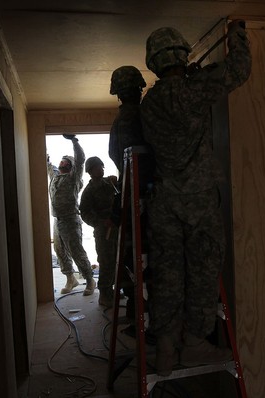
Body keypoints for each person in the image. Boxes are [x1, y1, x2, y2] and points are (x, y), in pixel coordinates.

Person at [140, 20, 252, 376]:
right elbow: (239, 70)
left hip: (164, 200)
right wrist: (236, 33)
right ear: (181, 54)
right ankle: (194, 345)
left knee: (168, 273)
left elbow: (174, 103)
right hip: (198, 198)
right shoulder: (195, 89)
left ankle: (167, 348)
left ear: (155, 62)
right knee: (203, 271)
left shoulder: (148, 102)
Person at [108, 66, 155, 338]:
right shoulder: (141, 116)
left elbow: (117, 157)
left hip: (131, 195)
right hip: (145, 197)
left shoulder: (120, 119)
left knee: (133, 261)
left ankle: (137, 317)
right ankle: (145, 322)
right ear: (139, 89)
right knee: (148, 263)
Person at [47, 134, 96, 296]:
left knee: (76, 251)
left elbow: (81, 159)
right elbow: (46, 163)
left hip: (70, 219)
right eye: (61, 160)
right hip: (57, 220)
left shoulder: (73, 178)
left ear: (70, 166)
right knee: (60, 250)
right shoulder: (55, 176)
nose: (61, 162)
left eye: (65, 161)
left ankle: (90, 280)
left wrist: (74, 141)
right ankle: (70, 278)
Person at [79, 156, 119, 307]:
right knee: (106, 260)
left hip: (116, 226)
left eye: (101, 166)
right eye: (97, 167)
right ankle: (104, 294)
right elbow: (85, 213)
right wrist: (101, 223)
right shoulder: (88, 191)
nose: (100, 169)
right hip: (104, 231)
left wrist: (117, 182)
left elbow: (118, 196)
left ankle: (112, 290)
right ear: (90, 171)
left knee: (116, 259)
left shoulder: (108, 183)